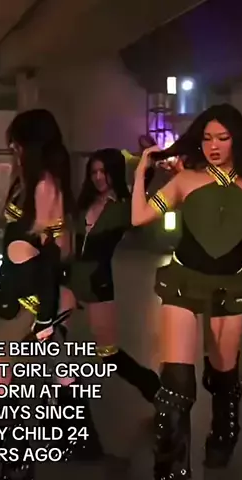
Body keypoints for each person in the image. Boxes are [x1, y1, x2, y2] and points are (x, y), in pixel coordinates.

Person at [0, 109, 108, 480]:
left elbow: (56, 252)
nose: (13, 151)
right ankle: (81, 441)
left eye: (16, 145)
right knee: (60, 369)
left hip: (38, 295)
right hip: (36, 291)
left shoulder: (45, 186)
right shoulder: (31, 181)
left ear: (28, 145)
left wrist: (46, 313)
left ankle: (15, 463)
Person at [132, 104, 242, 479]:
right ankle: (171, 469)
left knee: (224, 376)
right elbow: (139, 217)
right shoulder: (186, 180)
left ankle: (224, 435)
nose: (214, 146)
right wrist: (140, 174)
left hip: (231, 284)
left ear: (237, 140)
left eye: (223, 138)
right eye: (207, 138)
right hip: (184, 281)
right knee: (176, 386)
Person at [70, 149, 160, 402]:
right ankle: (64, 404)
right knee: (53, 343)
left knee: (108, 353)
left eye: (104, 172)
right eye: (94, 172)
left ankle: (153, 387)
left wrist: (145, 170)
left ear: (114, 173)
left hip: (98, 280)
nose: (98, 177)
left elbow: (139, 210)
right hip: (68, 278)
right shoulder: (82, 204)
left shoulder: (122, 208)